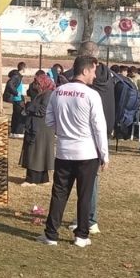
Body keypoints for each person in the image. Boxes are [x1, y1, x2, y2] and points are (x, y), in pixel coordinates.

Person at [40, 55, 110, 248]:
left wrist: (63, 132)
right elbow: (99, 127)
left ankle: (51, 234)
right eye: (94, 71)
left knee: (59, 193)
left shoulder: (58, 92)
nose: (95, 76)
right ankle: (81, 235)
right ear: (85, 71)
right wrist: (104, 154)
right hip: (87, 152)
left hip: (64, 150)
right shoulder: (91, 95)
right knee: (85, 195)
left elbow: (49, 120)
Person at [20, 74, 56, 186]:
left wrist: (29, 106)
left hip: (41, 127)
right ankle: (43, 179)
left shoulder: (48, 94)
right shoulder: (43, 94)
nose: (36, 86)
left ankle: (32, 179)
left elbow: (42, 110)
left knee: (36, 152)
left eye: (37, 83)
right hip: (39, 126)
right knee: (39, 152)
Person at [4, 69, 28, 139]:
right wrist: (17, 93)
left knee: (15, 116)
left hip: (17, 99)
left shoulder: (17, 76)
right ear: (23, 69)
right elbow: (10, 84)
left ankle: (13, 132)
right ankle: (18, 132)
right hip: (18, 99)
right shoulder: (17, 76)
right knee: (20, 115)